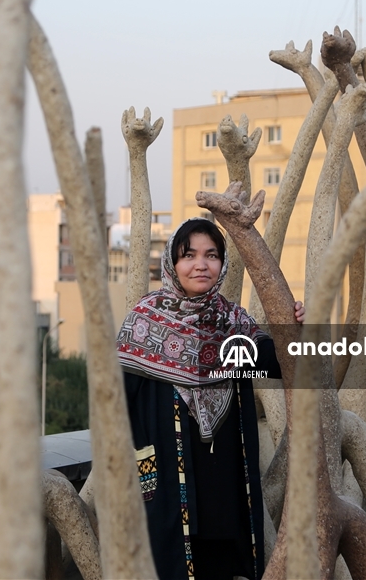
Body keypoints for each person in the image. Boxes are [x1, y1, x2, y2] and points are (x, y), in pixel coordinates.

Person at [117, 217, 303, 580]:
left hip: (224, 493)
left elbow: (281, 362)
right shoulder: (142, 323)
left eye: (211, 255)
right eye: (189, 255)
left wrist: (294, 327)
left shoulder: (233, 323)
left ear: (222, 263)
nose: (201, 264)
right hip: (165, 490)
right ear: (172, 263)